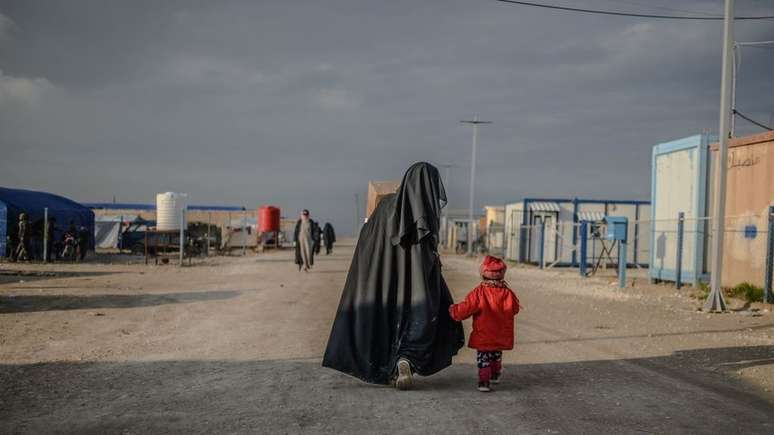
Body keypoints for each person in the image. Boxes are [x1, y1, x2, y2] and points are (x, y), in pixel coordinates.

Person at [323, 162, 464, 390]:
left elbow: (368, 238)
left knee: (387, 317)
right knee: (424, 314)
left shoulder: (386, 205)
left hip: (385, 278)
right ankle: (406, 358)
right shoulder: (425, 212)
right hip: (417, 282)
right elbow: (428, 252)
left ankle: (390, 364)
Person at [449, 255, 520, 392]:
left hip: (483, 335)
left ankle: (484, 382)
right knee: (496, 355)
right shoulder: (508, 293)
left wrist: (453, 310)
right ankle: (495, 375)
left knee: (484, 359)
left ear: (483, 274)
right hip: (500, 334)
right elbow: (515, 309)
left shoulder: (479, 293)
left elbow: (466, 308)